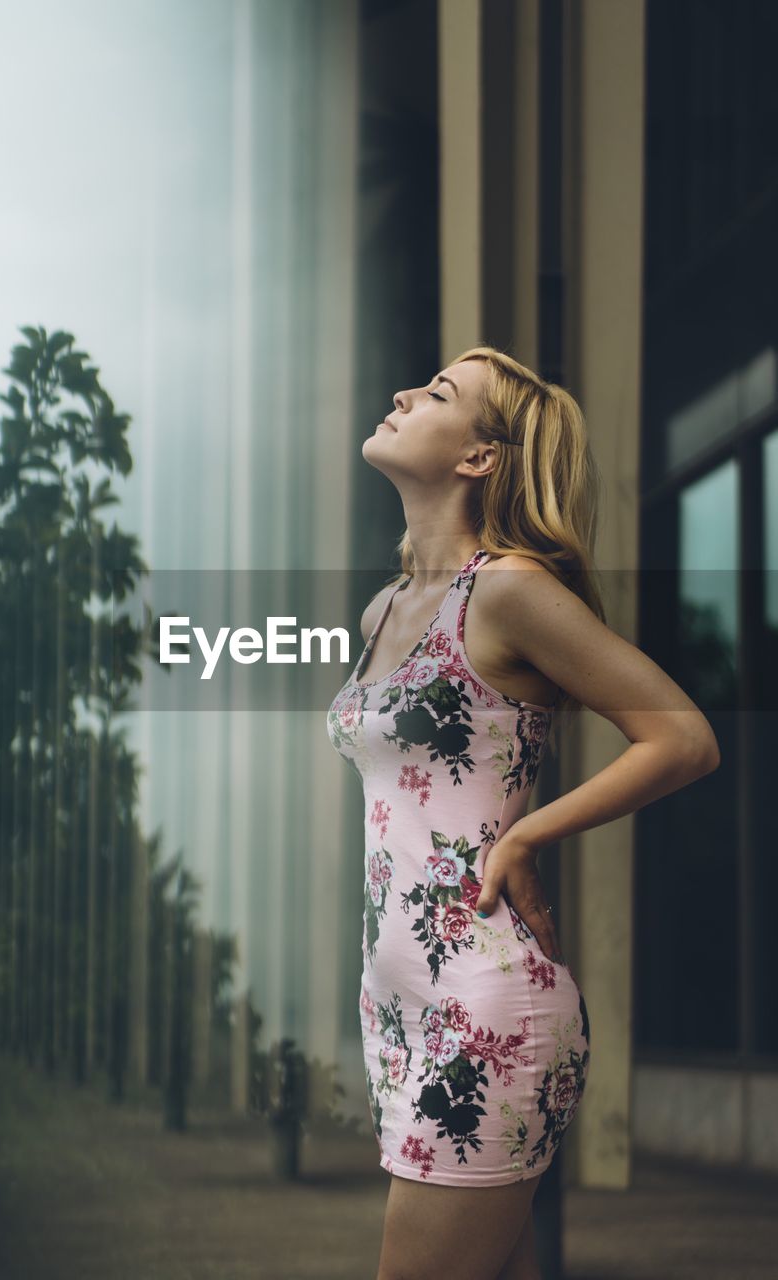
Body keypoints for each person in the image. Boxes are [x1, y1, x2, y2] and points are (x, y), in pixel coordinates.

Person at [325, 346, 719, 1280]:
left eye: (438, 394)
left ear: (479, 458)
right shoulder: (385, 607)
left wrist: (529, 832)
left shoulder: (504, 590)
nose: (403, 393)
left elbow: (683, 739)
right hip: (397, 1007)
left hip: (485, 1008)